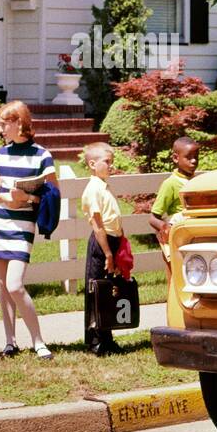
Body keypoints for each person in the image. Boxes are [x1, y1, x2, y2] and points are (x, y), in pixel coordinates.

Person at [0, 101, 54, 359]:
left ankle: (39, 341)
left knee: (14, 285)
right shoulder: (0, 154)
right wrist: (5, 199)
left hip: (24, 225)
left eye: (4, 124)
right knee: (3, 286)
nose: (1, 129)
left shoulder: (42, 155)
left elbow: (53, 195)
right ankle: (10, 342)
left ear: (19, 123)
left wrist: (27, 199)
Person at [80, 142, 125, 356]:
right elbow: (97, 225)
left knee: (109, 292)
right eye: (107, 162)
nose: (110, 166)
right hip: (101, 244)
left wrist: (121, 245)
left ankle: (108, 337)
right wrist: (108, 253)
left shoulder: (105, 186)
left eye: (111, 162)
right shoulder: (93, 189)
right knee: (96, 291)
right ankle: (95, 340)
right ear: (92, 163)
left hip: (113, 242)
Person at [148, 135, 199, 273]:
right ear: (176, 158)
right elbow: (153, 217)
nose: (194, 161)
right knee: (176, 275)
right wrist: (165, 228)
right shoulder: (170, 184)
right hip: (176, 238)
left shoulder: (197, 181)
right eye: (189, 157)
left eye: (197, 156)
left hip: (194, 236)